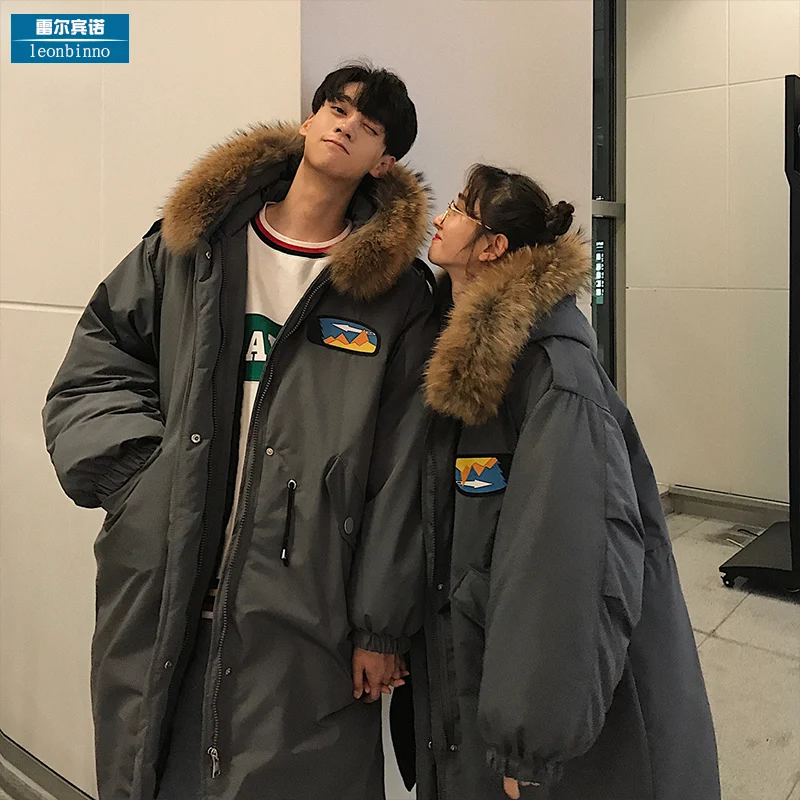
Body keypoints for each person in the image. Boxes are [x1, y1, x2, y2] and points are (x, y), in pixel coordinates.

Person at [43, 63, 437, 800]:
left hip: (303, 597)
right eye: (336, 107)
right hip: (166, 573)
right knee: (149, 765)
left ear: (383, 162)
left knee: (287, 776)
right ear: (310, 120)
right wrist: (138, 482)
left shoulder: (397, 295)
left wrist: (381, 626)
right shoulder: (193, 246)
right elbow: (100, 360)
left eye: (369, 125)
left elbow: (401, 466)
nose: (345, 125)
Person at [391, 164, 720, 800]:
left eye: (457, 208)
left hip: (528, 707)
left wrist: (529, 742)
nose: (439, 217)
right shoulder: (470, 351)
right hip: (471, 662)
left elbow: (566, 565)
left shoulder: (553, 374)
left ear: (491, 246)